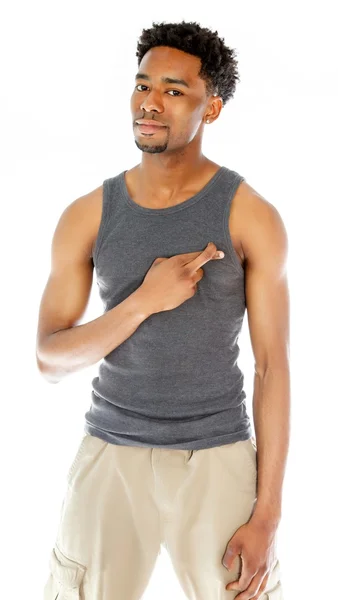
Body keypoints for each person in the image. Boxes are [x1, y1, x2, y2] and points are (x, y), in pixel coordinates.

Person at [38, 20, 289, 600]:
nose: (151, 103)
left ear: (213, 108)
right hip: (109, 450)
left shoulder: (252, 216)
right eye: (143, 85)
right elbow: (49, 360)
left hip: (217, 452)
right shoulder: (88, 214)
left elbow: (272, 368)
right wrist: (144, 301)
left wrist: (268, 514)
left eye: (175, 90)